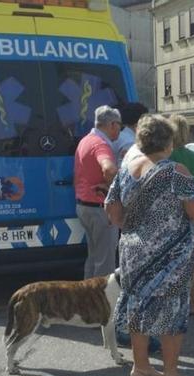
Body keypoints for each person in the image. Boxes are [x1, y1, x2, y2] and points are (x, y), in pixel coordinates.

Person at [104, 114, 194, 376]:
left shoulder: (126, 169)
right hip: (170, 257)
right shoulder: (175, 171)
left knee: (139, 309)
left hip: (132, 253)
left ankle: (141, 369)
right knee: (171, 312)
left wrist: (137, 230)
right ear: (169, 142)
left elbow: (113, 212)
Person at [75, 105, 122, 279]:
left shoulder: (85, 140)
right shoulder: (101, 144)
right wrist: (114, 189)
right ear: (111, 124)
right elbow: (109, 169)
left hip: (84, 205)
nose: (120, 130)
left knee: (93, 257)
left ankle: (86, 299)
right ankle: (103, 303)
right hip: (100, 207)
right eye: (119, 125)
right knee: (105, 262)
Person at [169, 114, 194, 315]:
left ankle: (175, 301)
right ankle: (192, 301)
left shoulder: (166, 158)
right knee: (192, 259)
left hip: (173, 218)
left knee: (172, 260)